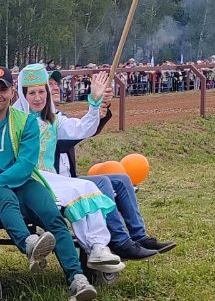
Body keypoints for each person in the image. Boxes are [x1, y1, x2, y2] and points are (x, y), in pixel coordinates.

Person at [0, 66, 97, 301]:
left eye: (3, 89)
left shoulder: (26, 122)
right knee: (5, 200)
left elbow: (26, 163)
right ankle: (29, 244)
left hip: (22, 181)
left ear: (11, 93)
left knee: (53, 215)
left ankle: (77, 278)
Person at [49, 72, 175, 259]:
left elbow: (83, 130)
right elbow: (64, 141)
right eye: (50, 84)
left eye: (56, 84)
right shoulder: (37, 121)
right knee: (102, 183)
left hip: (70, 180)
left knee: (122, 179)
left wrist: (101, 109)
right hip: (56, 184)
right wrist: (93, 113)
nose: (56, 87)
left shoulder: (59, 116)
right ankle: (119, 240)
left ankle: (139, 236)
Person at [16, 65, 122, 272]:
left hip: (51, 177)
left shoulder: (53, 120)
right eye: (32, 93)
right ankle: (94, 246)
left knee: (88, 188)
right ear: (23, 94)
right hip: (30, 179)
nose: (37, 98)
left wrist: (94, 103)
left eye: (41, 91)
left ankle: (98, 246)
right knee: (76, 190)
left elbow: (83, 129)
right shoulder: (15, 120)